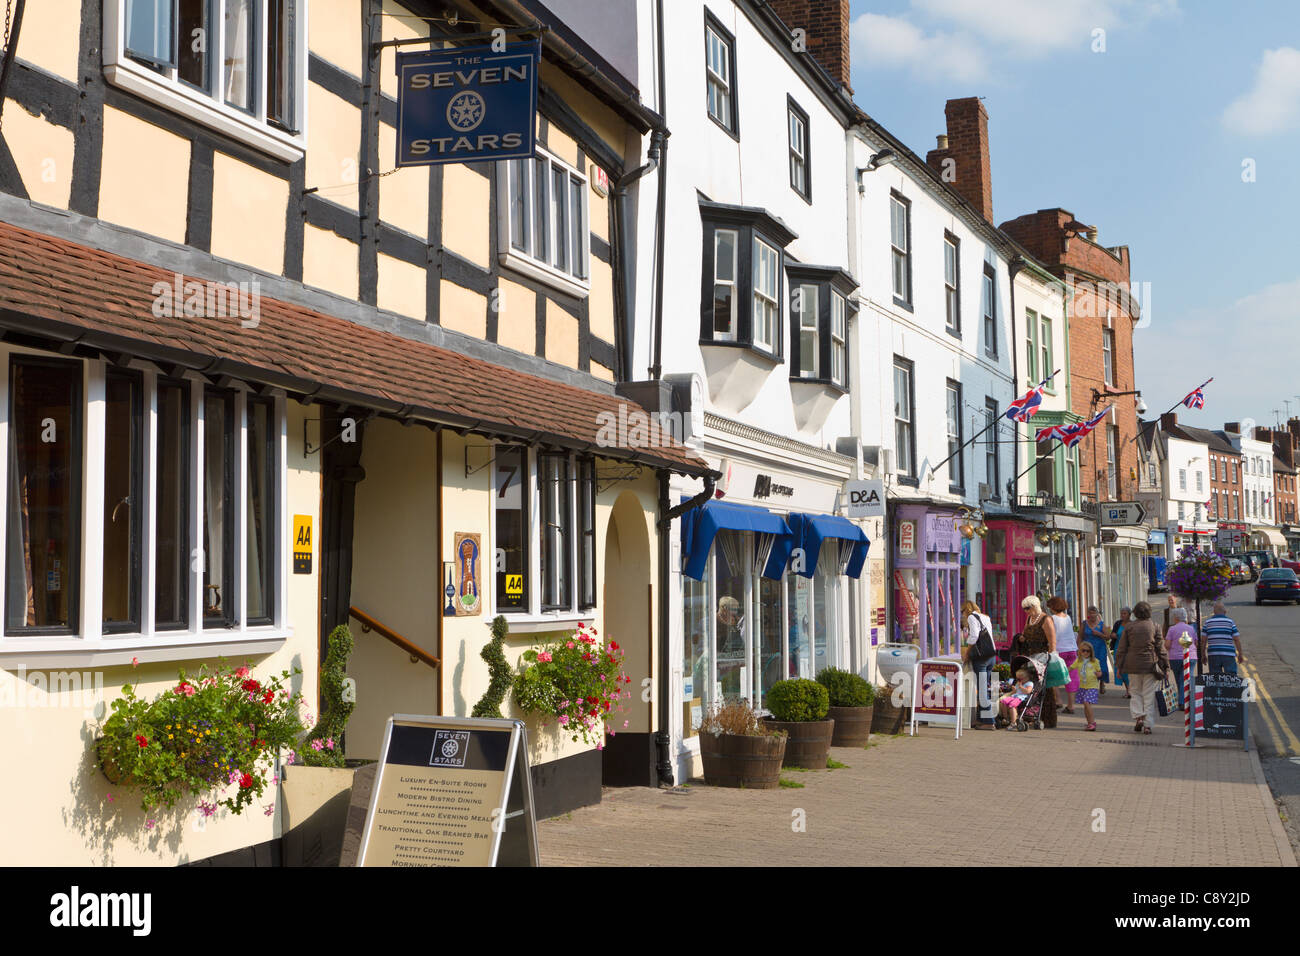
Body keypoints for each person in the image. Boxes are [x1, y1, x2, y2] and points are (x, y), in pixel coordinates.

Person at [1114, 601, 1168, 735]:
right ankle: (1148, 725)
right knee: (1149, 696)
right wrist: (1166, 666)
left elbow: (1122, 649)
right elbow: (1160, 648)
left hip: (1132, 665)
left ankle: (1139, 718)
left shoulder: (1129, 627)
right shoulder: (1155, 626)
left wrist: (1119, 666)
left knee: (1135, 693)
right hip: (1150, 665)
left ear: (1135, 613)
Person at [1016, 595, 1058, 727]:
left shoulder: (1046, 619)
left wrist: (1050, 658)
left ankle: (1048, 719)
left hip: (1042, 657)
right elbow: (1025, 633)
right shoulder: (1030, 618)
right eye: (1024, 609)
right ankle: (1030, 715)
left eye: (1028, 608)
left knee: (1044, 687)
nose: (1026, 611)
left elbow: (1052, 642)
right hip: (1030, 656)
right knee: (1031, 686)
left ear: (1035, 606)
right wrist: (1021, 638)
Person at [961, 599, 996, 728]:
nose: (962, 615)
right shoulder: (985, 617)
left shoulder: (971, 617)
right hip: (990, 656)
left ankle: (989, 722)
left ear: (967, 609)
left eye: (962, 611)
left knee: (981, 691)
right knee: (983, 689)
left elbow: (974, 637)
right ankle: (982, 719)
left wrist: (967, 652)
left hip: (981, 658)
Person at [1164, 607, 1198, 709]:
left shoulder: (1172, 629)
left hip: (1175, 658)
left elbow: (1167, 645)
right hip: (1190, 656)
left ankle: (1182, 701)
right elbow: (1196, 642)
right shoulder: (1191, 628)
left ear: (1176, 618)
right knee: (1186, 679)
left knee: (1180, 680)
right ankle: (1184, 700)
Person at [1047, 596, 1077, 714]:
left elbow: (1052, 633)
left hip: (1059, 650)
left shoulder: (1052, 618)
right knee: (1071, 677)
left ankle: (1058, 700)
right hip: (1072, 650)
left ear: (1053, 607)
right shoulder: (1068, 617)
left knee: (1053, 675)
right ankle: (1071, 705)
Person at [1202, 601, 1244, 674]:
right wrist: (1240, 654)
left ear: (1214, 612)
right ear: (1225, 611)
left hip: (1213, 654)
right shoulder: (1230, 622)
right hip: (1228, 654)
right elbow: (1236, 639)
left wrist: (1203, 655)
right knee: (1231, 678)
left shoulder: (1207, 623)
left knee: (1215, 678)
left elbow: (1203, 640)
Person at [1070, 641, 1102, 731]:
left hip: (1092, 686)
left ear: (1091, 652)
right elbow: (1071, 668)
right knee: (1085, 704)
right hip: (1082, 686)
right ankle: (1089, 723)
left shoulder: (1095, 661)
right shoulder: (1078, 661)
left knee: (1086, 702)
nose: (1086, 653)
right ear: (1080, 651)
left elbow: (1099, 671)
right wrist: (1063, 672)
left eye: (1088, 651)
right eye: (1083, 650)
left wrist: (1098, 674)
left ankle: (1092, 723)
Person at [1080, 606, 1112, 695]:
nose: (1092, 615)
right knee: (1089, 667)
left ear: (1097, 614)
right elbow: (1080, 636)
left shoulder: (1101, 624)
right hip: (1088, 649)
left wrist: (1099, 634)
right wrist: (1079, 648)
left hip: (1100, 648)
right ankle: (1091, 685)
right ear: (1088, 614)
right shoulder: (1084, 623)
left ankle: (1102, 683)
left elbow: (1108, 636)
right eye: (1090, 613)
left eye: (1094, 613)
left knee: (1101, 666)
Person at [1111, 606, 1133, 698]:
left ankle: (1130, 690)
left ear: (1129, 615)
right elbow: (1112, 634)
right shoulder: (1118, 623)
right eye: (1121, 613)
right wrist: (1113, 635)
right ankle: (1128, 690)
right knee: (1120, 671)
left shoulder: (1132, 624)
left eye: (1124, 613)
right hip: (1118, 649)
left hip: (1128, 650)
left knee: (1127, 671)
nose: (1122, 615)